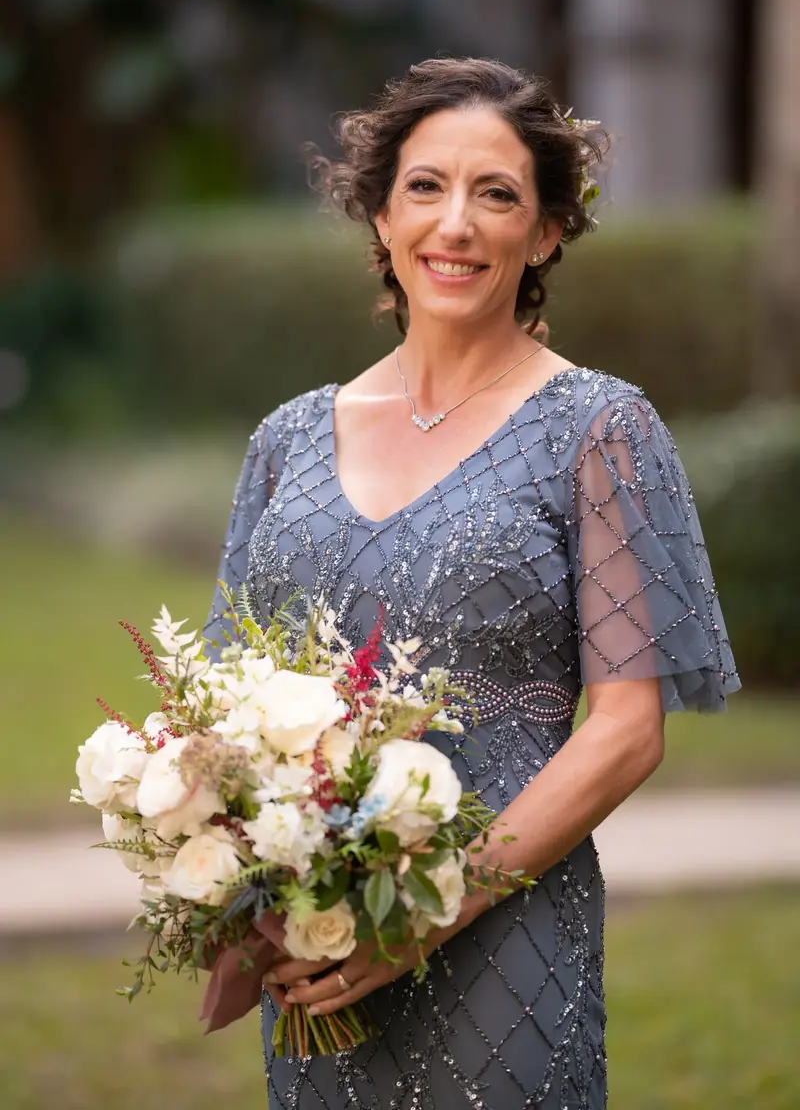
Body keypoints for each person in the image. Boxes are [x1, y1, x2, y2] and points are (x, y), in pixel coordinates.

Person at [203, 57, 740, 1110]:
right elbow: (224, 704)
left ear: (543, 233)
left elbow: (625, 729)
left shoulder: (599, 430)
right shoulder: (286, 440)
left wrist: (423, 915)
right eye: (424, 187)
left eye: (495, 194)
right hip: (314, 942)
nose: (455, 224)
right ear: (380, 214)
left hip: (503, 941)